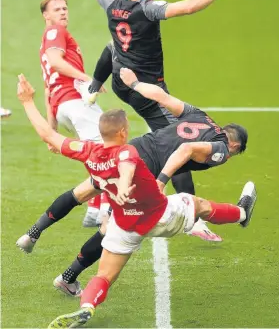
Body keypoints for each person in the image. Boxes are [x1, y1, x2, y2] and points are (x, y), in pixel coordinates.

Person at [15, 74, 256, 329]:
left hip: (124, 223)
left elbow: (48, 136)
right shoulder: (130, 153)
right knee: (199, 205)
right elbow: (130, 165)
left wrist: (27, 101)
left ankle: (84, 304)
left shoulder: (89, 150)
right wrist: (152, 181)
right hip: (158, 214)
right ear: (122, 131)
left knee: (104, 272)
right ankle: (241, 213)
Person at [86, 0, 242, 241]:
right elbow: (188, 7)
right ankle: (192, 219)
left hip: (123, 80)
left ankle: (94, 87)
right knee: (180, 141)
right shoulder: (146, 9)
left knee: (112, 48)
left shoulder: (112, 3)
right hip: (144, 89)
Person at [39, 0, 108, 227]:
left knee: (93, 152)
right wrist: (90, 80)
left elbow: (48, 88)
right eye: (57, 9)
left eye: (65, 8)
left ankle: (94, 209)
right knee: (109, 151)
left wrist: (52, 131)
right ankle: (104, 209)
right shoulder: (54, 33)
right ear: (46, 15)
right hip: (75, 103)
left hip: (63, 108)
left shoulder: (45, 44)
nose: (63, 12)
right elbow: (57, 63)